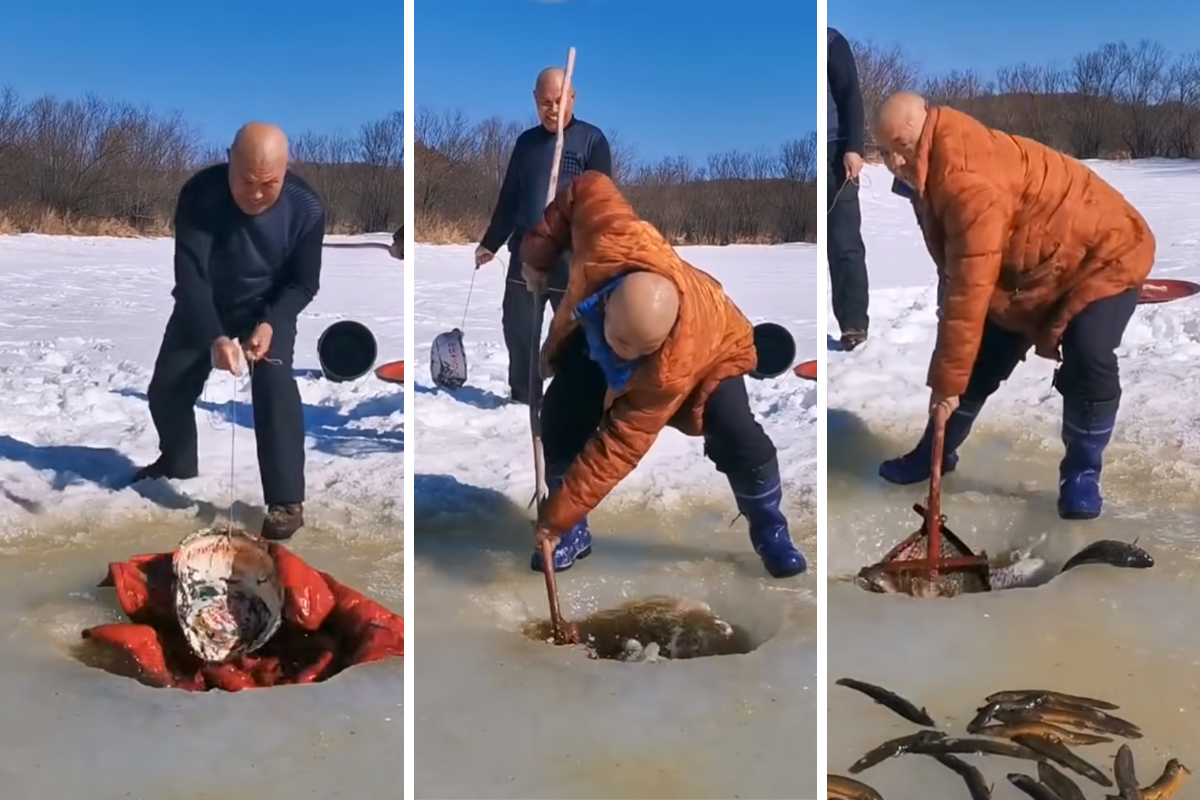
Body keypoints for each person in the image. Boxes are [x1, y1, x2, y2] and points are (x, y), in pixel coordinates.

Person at [872, 92, 1155, 520]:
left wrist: (945, 382)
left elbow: (970, 282)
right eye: (884, 151)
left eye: (901, 147)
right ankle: (934, 452)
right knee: (979, 359)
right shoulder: (928, 164)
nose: (894, 163)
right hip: (1030, 270)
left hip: (1102, 255)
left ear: (923, 128)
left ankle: (1081, 474)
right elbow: (956, 265)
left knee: (1089, 356)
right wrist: (953, 357)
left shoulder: (967, 178)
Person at [518, 171, 807, 579]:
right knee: (563, 409)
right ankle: (575, 533)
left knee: (736, 433)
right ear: (607, 304)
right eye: (620, 343)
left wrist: (554, 518)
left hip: (715, 348)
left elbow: (616, 449)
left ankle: (770, 529)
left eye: (640, 351)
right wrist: (538, 252)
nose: (626, 356)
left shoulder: (666, 369)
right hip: (622, 321)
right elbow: (587, 186)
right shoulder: (611, 237)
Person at [129, 122, 326, 540]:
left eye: (268, 183)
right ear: (228, 160)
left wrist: (272, 321)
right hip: (205, 303)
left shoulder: (305, 206)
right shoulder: (201, 194)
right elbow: (190, 276)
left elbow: (304, 283)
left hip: (267, 311)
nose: (256, 193)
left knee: (274, 386)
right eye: (246, 181)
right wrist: (216, 336)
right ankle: (177, 462)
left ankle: (286, 500)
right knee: (167, 389)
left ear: (286, 170)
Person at [476, 66, 613, 404]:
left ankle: (579, 399)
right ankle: (524, 396)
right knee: (519, 328)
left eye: (557, 101)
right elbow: (510, 198)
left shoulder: (592, 141)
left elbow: (600, 203)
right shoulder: (526, 143)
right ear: (534, 101)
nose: (551, 109)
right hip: (527, 254)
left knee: (578, 333)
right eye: (544, 103)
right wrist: (491, 242)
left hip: (571, 258)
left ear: (572, 98)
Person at [827, 27, 870, 351]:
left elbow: (850, 95)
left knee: (844, 242)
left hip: (836, 151)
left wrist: (853, 147)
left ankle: (853, 325)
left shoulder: (829, 40)